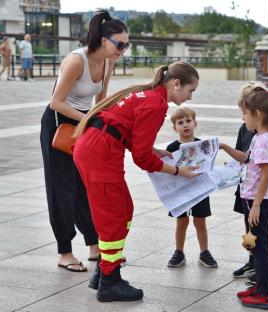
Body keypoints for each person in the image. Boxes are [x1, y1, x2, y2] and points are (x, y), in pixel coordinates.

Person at [73, 61, 200, 302]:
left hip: (97, 148)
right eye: (190, 90)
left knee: (123, 210)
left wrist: (154, 150)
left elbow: (127, 132)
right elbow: (142, 159)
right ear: (176, 84)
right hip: (100, 153)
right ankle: (109, 282)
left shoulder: (149, 95)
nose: (190, 97)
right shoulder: (155, 104)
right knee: (114, 216)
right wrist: (176, 171)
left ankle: (103, 271)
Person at [40, 10, 127, 273]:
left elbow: (100, 101)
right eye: (119, 44)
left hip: (83, 123)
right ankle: (64, 251)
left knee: (85, 188)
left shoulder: (108, 62)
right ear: (103, 41)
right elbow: (56, 101)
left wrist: (107, 119)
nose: (123, 50)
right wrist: (88, 119)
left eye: (127, 45)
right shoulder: (76, 61)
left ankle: (94, 245)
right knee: (62, 190)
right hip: (58, 125)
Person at [220, 85, 268, 310]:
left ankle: (263, 294)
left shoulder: (264, 140)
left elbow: (267, 173)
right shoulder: (261, 138)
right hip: (252, 200)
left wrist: (257, 204)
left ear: (257, 115)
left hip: (258, 202)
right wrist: (223, 146)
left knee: (259, 249)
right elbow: (245, 159)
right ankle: (259, 286)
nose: (243, 119)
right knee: (255, 245)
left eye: (244, 114)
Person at [166, 107, 218, 269]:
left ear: (195, 123)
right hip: (179, 191)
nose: (185, 125)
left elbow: (208, 166)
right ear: (175, 128)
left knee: (200, 221)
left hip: (199, 189)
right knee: (181, 221)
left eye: (188, 121)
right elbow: (167, 170)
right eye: (180, 123)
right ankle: (179, 252)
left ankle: (204, 252)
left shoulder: (202, 145)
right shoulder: (172, 148)